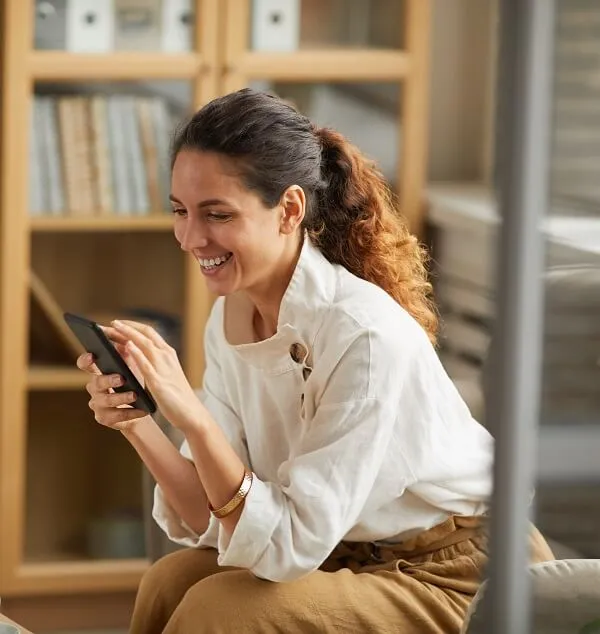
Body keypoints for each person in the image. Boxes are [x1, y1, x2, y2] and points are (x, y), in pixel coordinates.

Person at [76, 88, 553, 634]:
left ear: (290, 210)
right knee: (169, 581)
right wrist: (141, 424)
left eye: (217, 214)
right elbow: (212, 515)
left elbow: (286, 544)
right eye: (181, 212)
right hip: (344, 547)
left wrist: (190, 412)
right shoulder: (232, 317)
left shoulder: (364, 336)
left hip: (457, 571)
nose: (190, 237)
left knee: (221, 609)